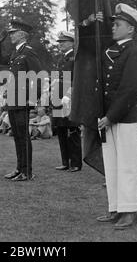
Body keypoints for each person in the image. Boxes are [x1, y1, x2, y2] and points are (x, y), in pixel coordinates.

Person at [96, 3, 137, 230]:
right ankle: (115, 208)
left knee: (126, 165)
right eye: (114, 24)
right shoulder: (112, 51)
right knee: (112, 165)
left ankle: (129, 211)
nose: (113, 28)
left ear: (131, 29)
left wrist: (111, 116)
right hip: (108, 118)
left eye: (118, 24)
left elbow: (130, 88)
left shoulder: (133, 52)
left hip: (124, 117)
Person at [0, 18, 42, 182]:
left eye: (13, 33)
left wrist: (33, 99)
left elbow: (38, 77)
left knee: (23, 136)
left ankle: (27, 171)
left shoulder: (28, 52)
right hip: (13, 99)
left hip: (23, 99)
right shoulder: (15, 53)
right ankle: (20, 168)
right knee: (17, 136)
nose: (10, 35)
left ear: (22, 34)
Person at [52, 31, 82, 172]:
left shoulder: (75, 58)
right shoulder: (61, 59)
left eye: (63, 41)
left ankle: (75, 163)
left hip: (69, 100)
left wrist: (69, 95)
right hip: (59, 99)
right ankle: (65, 161)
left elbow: (78, 80)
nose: (60, 44)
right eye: (59, 42)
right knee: (61, 131)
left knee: (72, 131)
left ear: (72, 42)